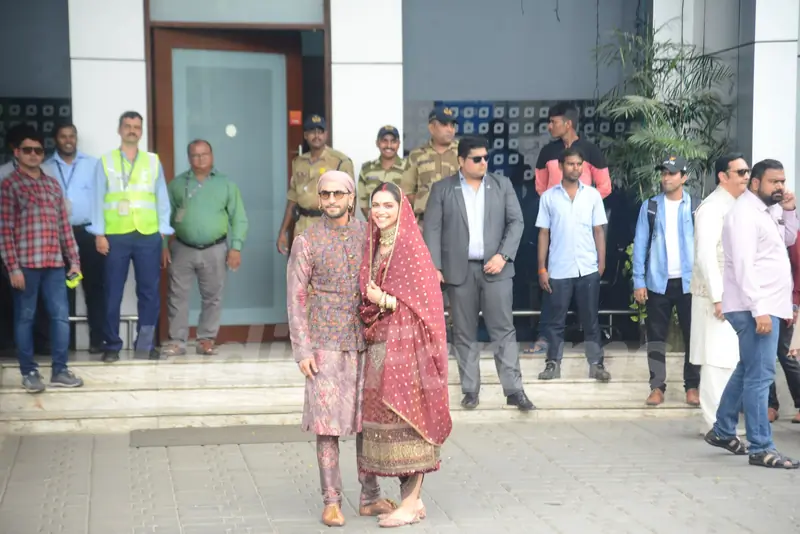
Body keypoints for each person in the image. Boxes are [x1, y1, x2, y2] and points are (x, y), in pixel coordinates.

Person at [286, 170, 395, 526]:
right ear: (319, 200)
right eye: (325, 195)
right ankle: (331, 501)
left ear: (351, 198)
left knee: (367, 423)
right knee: (327, 426)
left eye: (338, 194)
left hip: (366, 339)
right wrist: (302, 349)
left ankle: (370, 496)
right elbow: (296, 297)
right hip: (325, 345)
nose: (331, 200)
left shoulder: (368, 235)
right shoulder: (307, 240)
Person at [358, 182, 453, 528]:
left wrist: (381, 299)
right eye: (376, 205)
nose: (381, 211)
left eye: (388, 205)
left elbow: (425, 304)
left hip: (409, 348)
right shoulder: (375, 245)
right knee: (390, 420)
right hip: (381, 345)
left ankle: (410, 504)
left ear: (402, 209)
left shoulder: (409, 246)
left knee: (410, 421)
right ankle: (413, 499)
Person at [423, 135, 534, 411]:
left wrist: (503, 255)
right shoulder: (442, 189)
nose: (483, 162)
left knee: (504, 331)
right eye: (477, 158)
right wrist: (434, 267)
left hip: (496, 269)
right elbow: (432, 230)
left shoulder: (502, 185)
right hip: (458, 272)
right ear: (461, 161)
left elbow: (516, 222)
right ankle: (470, 390)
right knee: (463, 333)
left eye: (486, 157)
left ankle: (514, 390)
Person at [705, 158, 800, 469]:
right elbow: (744, 267)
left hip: (764, 305)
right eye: (774, 182)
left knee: (748, 369)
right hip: (755, 307)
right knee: (760, 377)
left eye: (783, 181)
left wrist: (788, 211)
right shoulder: (744, 214)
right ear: (756, 183)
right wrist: (760, 311)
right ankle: (761, 447)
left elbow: (785, 241)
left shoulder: (764, 211)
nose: (780, 187)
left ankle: (722, 430)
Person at [0, 129, 83, 392]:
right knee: (25, 318)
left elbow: (64, 227)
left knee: (60, 317)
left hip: (54, 264)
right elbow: (4, 230)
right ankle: (29, 372)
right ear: (17, 153)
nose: (33, 155)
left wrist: (75, 261)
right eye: (27, 150)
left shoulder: (52, 185)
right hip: (25, 265)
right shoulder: (10, 185)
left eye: (38, 150)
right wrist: (12, 268)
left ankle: (60, 370)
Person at [88, 111, 173, 362]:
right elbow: (97, 199)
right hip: (116, 235)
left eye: (137, 126)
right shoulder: (105, 161)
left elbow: (162, 198)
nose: (132, 130)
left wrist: (163, 232)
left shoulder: (152, 161)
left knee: (149, 293)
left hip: (148, 234)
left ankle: (144, 345)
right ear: (119, 130)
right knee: (112, 291)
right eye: (128, 126)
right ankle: (112, 345)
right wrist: (99, 234)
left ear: (141, 131)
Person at [528, 102, 611, 356]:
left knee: (587, 285)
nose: (549, 126)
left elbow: (605, 186)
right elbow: (540, 187)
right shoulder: (547, 152)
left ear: (568, 123)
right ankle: (545, 338)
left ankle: (593, 349)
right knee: (551, 280)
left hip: (587, 223)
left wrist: (584, 202)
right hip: (556, 220)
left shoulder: (591, 151)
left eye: (553, 122)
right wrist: (558, 204)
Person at [162, 139, 248, 356]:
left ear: (212, 156)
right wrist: (163, 245)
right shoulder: (176, 184)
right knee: (177, 296)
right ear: (188, 158)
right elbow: (164, 218)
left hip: (215, 249)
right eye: (195, 155)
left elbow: (239, 218)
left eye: (204, 154)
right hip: (182, 248)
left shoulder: (226, 184)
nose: (200, 159)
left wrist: (235, 248)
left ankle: (206, 339)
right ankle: (177, 341)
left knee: (213, 296)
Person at [535, 147, 611, 382]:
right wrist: (542, 268)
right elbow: (543, 234)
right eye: (570, 164)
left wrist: (601, 263)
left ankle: (596, 364)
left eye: (579, 164)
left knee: (590, 319)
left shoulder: (592, 195)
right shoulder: (548, 197)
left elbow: (599, 231)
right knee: (556, 321)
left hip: (587, 267)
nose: (575, 168)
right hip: (558, 268)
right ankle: (552, 364)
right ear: (560, 166)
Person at [631, 155, 700, 406]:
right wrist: (638, 280)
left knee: (694, 336)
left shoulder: (696, 206)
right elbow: (640, 244)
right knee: (656, 336)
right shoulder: (650, 206)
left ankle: (692, 387)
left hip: (689, 282)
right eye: (663, 173)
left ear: (684, 177)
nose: (666, 178)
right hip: (658, 282)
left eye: (671, 173)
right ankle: (657, 387)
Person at [690, 154, 750, 427]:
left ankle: (725, 424)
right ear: (723, 176)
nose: (746, 177)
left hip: (738, 296)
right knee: (716, 361)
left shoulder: (742, 206)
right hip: (715, 297)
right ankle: (716, 425)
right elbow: (705, 256)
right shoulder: (712, 208)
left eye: (747, 172)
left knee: (733, 359)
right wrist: (717, 296)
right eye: (740, 172)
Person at [45, 123, 105, 353]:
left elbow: (102, 199)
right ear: (55, 140)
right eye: (63, 136)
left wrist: (101, 232)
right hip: (58, 235)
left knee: (94, 288)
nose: (68, 140)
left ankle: (98, 340)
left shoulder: (93, 164)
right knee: (59, 289)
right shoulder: (46, 167)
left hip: (88, 233)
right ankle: (62, 344)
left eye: (72, 136)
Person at [276, 114, 354, 255]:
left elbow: (349, 201)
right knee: (301, 274)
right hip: (302, 227)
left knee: (327, 274)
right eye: (312, 131)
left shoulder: (339, 161)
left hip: (329, 227)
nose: (316, 136)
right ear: (305, 135)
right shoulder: (298, 162)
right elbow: (293, 198)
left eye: (320, 131)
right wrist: (283, 232)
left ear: (326, 134)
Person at [403, 105, 459, 224]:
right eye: (444, 125)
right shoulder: (417, 155)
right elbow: (406, 191)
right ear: (432, 128)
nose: (450, 129)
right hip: (426, 221)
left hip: (457, 220)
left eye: (452, 125)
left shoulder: (463, 152)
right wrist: (424, 206)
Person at [357, 125, 408, 218]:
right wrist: (376, 222)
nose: (389, 145)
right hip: (376, 225)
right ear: (377, 143)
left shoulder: (409, 168)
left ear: (399, 144)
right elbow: (363, 203)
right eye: (384, 141)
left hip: (402, 226)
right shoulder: (367, 169)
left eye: (393, 141)